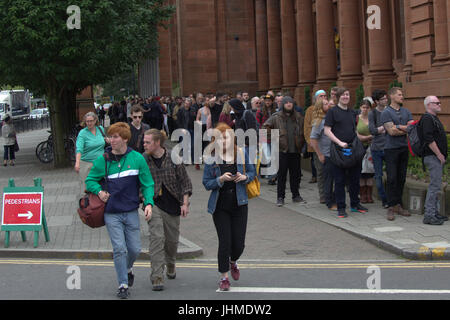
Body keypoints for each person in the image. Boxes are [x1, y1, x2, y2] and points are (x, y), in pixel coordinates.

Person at [85, 122, 154, 299]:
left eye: (115, 137)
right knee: (119, 249)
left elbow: (147, 184)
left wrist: (148, 203)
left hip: (131, 211)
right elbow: (90, 180)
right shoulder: (104, 159)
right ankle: (123, 284)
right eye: (110, 136)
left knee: (135, 249)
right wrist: (99, 191)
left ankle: (129, 268)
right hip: (111, 212)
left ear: (124, 138)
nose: (110, 140)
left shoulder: (137, 159)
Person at [202, 123, 256, 291]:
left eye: (226, 137)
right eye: (220, 138)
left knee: (238, 244)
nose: (223, 141)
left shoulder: (241, 153)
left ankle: (233, 262)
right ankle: (224, 277)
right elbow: (206, 183)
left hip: (239, 203)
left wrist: (244, 177)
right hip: (220, 206)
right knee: (225, 242)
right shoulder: (212, 158)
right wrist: (221, 180)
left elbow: (253, 172)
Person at [143, 129, 193, 290]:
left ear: (157, 143)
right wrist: (145, 201)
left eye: (147, 142)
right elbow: (139, 182)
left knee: (171, 241)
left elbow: (185, 182)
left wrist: (184, 203)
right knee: (157, 238)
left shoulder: (174, 157)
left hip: (172, 205)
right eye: (144, 141)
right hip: (153, 204)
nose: (144, 144)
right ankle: (157, 276)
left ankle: (171, 262)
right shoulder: (143, 159)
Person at [324, 87, 368, 218]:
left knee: (355, 179)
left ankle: (355, 204)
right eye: (343, 95)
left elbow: (354, 130)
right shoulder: (332, 112)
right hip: (338, 150)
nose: (345, 97)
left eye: (347, 95)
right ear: (338, 97)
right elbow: (327, 130)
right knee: (339, 180)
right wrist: (339, 142)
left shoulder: (352, 112)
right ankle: (341, 207)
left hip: (352, 150)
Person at [263, 96, 306, 207]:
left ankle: (296, 195)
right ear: (282, 104)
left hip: (295, 151)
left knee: (295, 175)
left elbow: (304, 131)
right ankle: (280, 197)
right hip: (282, 151)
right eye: (286, 102)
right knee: (281, 175)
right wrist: (274, 138)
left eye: (290, 102)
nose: (288, 104)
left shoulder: (299, 117)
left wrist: (302, 144)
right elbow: (264, 128)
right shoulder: (276, 117)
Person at [381, 87, 414, 221]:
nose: (402, 96)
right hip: (391, 149)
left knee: (401, 177)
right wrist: (403, 127)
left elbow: (412, 128)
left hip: (403, 147)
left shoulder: (406, 111)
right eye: (399, 95)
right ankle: (391, 205)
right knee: (392, 177)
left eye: (402, 94)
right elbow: (391, 132)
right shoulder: (386, 112)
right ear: (392, 96)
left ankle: (398, 204)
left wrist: (398, 126)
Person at [421, 96, 448, 225]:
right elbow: (429, 139)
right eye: (436, 103)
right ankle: (429, 215)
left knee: (436, 185)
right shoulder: (427, 118)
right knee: (434, 186)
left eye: (439, 102)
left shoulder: (433, 118)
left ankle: (434, 212)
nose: (439, 104)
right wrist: (439, 155)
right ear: (428, 105)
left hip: (435, 157)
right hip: (433, 157)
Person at [310, 98, 336, 211]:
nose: (329, 105)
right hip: (325, 153)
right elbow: (313, 139)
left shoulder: (332, 118)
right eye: (326, 104)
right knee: (326, 178)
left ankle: (333, 198)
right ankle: (327, 199)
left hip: (335, 153)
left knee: (335, 177)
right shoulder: (318, 122)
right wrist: (319, 154)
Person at [74, 112, 108, 198]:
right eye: (87, 121)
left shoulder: (100, 129)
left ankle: (100, 205)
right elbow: (79, 149)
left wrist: (108, 140)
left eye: (91, 121)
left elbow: (104, 140)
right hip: (86, 163)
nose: (89, 123)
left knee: (101, 185)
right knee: (87, 187)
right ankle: (86, 206)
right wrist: (77, 163)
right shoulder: (82, 133)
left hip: (100, 162)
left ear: (95, 120)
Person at [368, 89, 389, 208]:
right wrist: (383, 128)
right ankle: (384, 199)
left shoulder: (389, 111)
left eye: (386, 98)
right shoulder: (373, 113)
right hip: (376, 148)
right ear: (376, 101)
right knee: (378, 175)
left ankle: (392, 199)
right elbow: (372, 130)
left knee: (391, 174)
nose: (385, 100)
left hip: (389, 147)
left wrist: (380, 129)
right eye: (382, 99)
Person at [305, 90, 327, 189]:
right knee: (320, 171)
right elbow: (307, 127)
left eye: (324, 96)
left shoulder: (328, 109)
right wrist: (310, 142)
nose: (323, 97)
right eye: (320, 96)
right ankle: (323, 195)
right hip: (316, 146)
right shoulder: (310, 110)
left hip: (328, 146)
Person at [357, 99, 374, 204]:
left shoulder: (373, 118)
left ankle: (369, 195)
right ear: (360, 108)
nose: (365, 109)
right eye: (363, 107)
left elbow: (377, 131)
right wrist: (368, 137)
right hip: (360, 148)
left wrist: (371, 137)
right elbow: (356, 134)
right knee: (361, 172)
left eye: (367, 107)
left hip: (371, 148)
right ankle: (362, 195)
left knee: (370, 172)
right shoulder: (356, 119)